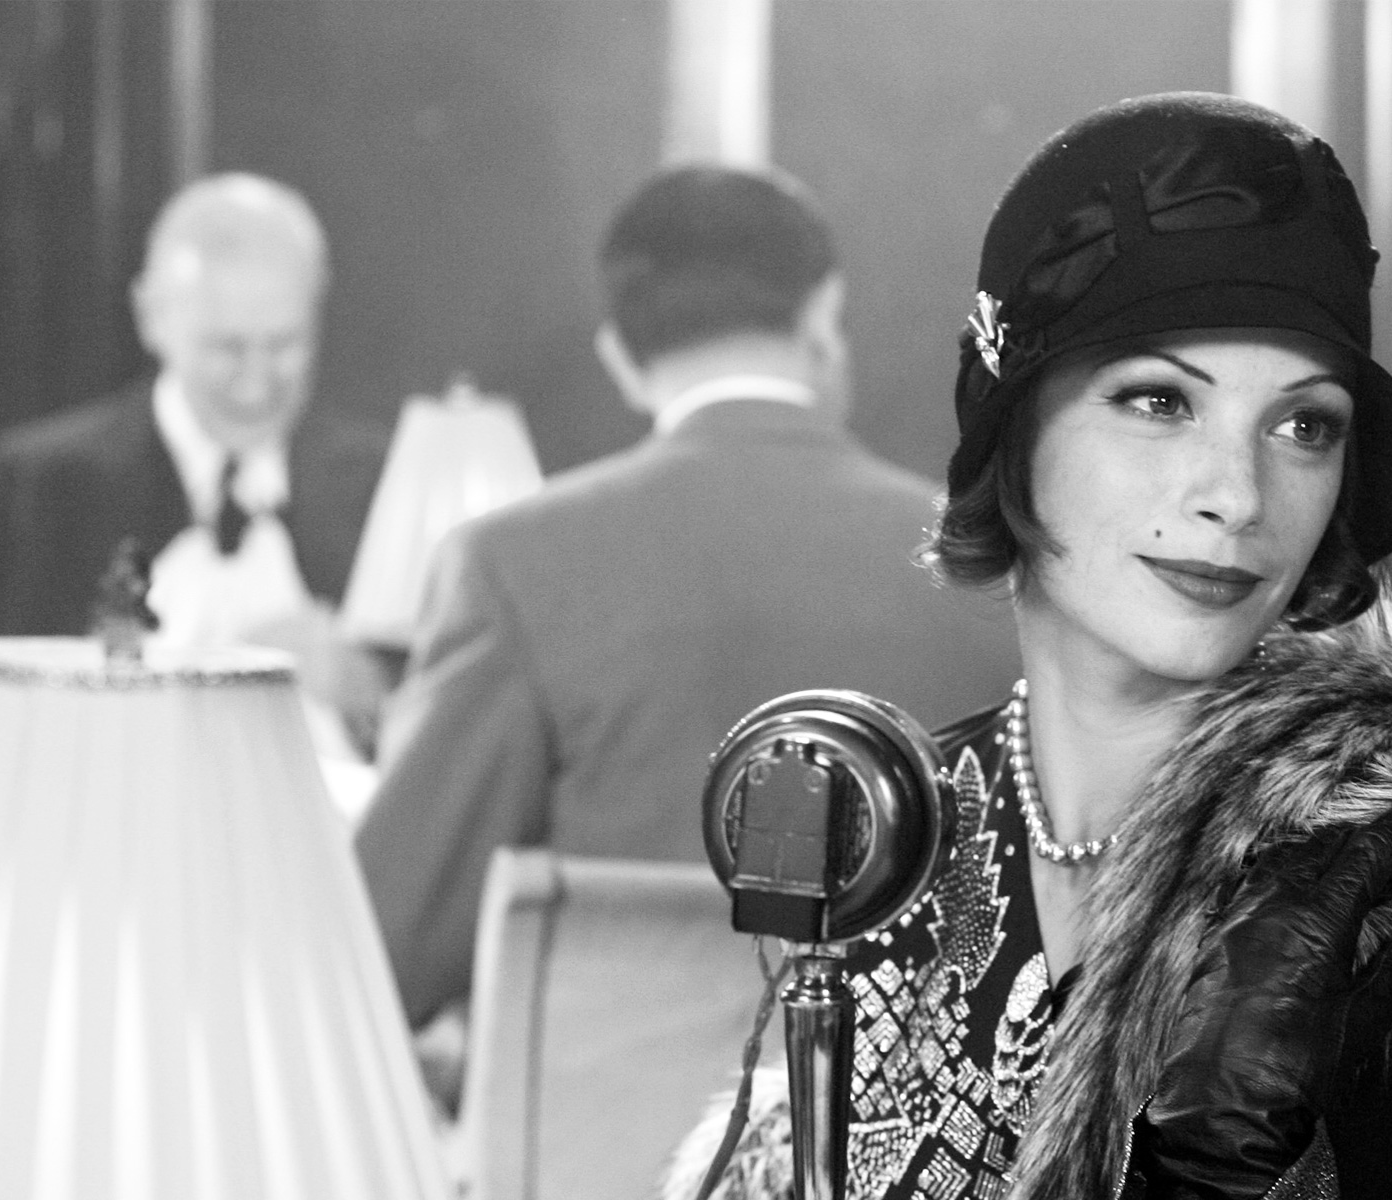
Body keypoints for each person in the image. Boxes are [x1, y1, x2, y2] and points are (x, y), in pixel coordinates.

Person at [668, 94, 1392, 1200]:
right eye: (1159, 401)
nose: (1238, 496)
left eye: (1305, 426)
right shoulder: (895, 833)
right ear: (1014, 423)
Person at [355, 165, 1022, 1030]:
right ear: (823, 314)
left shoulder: (511, 566)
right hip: (922, 1104)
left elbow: (384, 950)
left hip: (613, 1109)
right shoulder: (981, 563)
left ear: (620, 358)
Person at [0, 172, 386, 756]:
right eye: (226, 347)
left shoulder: (385, 483)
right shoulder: (39, 487)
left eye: (285, 345)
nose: (257, 382)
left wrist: (363, 687)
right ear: (151, 319)